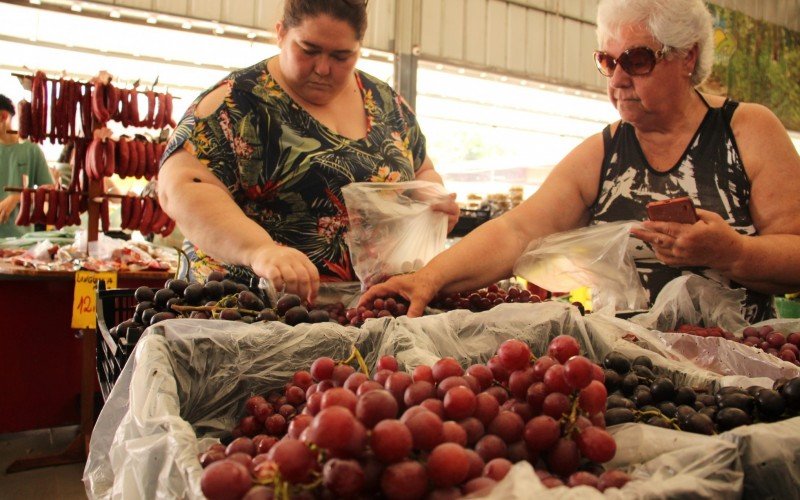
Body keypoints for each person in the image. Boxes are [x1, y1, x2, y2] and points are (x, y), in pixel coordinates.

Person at [360, 0, 800, 323]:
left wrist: (734, 253)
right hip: (633, 372)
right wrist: (429, 278)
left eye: (638, 60)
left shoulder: (745, 131)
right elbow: (518, 230)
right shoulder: (603, 153)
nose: (618, 79)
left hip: (740, 374)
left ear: (687, 56)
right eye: (608, 61)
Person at [158, 0, 458, 304]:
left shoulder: (386, 103)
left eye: (342, 56)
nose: (323, 68)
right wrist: (261, 251)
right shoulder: (237, 102)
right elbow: (182, 188)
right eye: (308, 50)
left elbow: (421, 169)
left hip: (363, 313)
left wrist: (432, 197)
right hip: (247, 311)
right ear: (281, 34)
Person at [0, 94, 54, 238]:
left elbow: (50, 193)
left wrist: (19, 196)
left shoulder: (31, 150)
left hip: (18, 242)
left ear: (3, 117)